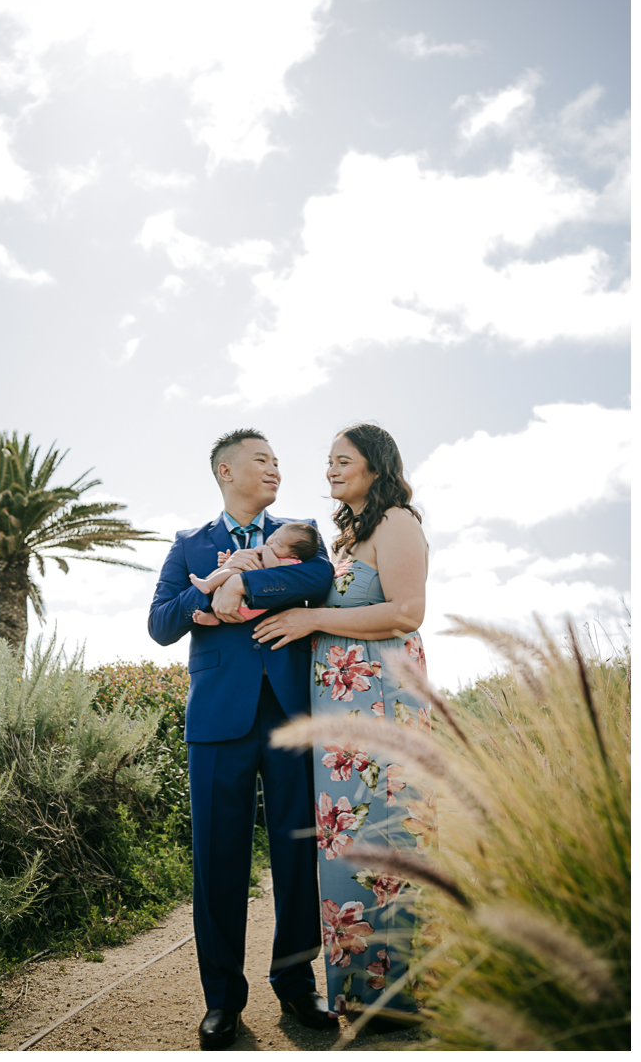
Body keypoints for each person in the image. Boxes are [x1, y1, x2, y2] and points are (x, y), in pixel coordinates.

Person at [148, 429, 336, 1050]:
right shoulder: (188, 544)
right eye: (262, 460)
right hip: (216, 722)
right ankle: (222, 999)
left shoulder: (302, 532)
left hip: (290, 716)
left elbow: (321, 576)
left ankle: (296, 983)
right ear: (226, 472)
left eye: (279, 461)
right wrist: (203, 600)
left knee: (296, 855)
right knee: (217, 862)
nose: (275, 468)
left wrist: (243, 585)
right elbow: (159, 623)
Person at [252, 423, 429, 1029]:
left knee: (387, 844)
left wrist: (312, 620)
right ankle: (359, 996)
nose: (329, 469)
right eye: (327, 461)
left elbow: (407, 611)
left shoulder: (397, 522)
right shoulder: (346, 537)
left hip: (381, 709)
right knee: (346, 847)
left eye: (342, 460)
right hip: (339, 720)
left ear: (376, 466)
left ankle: (399, 999)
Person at [190, 522, 320, 625]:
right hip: (233, 601)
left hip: (249, 605)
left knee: (236, 573)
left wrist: (266, 550)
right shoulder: (271, 552)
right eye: (274, 534)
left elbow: (274, 570)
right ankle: (212, 615)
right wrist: (227, 562)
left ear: (293, 554)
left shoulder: (291, 562)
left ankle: (209, 585)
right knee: (234, 569)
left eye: (278, 543)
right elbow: (245, 561)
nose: (271, 540)